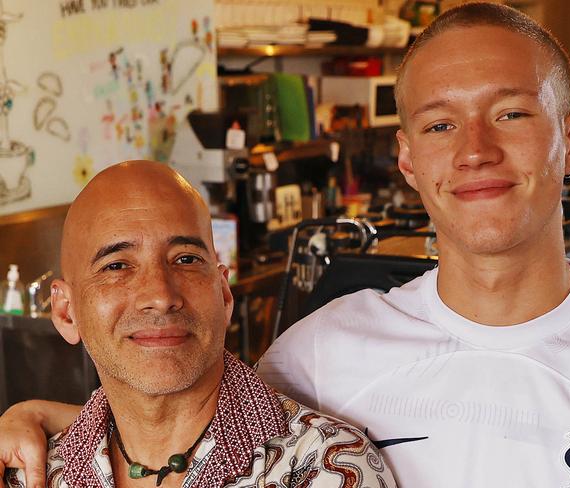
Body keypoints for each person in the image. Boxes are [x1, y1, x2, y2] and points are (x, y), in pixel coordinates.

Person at [2, 2, 570, 486]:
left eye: (511, 113)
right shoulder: (323, 351)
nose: (475, 151)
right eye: (440, 123)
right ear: (406, 157)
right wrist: (44, 421)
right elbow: (192, 419)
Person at [1, 161, 396, 488]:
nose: (160, 294)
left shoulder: (324, 465)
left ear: (224, 295)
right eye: (117, 265)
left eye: (186, 259)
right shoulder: (31, 472)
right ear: (66, 312)